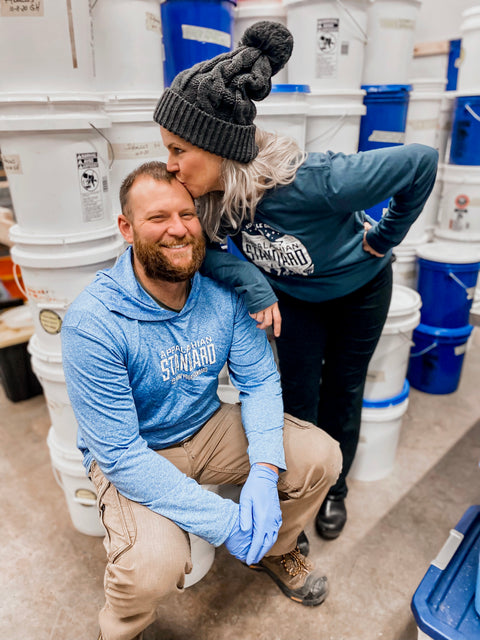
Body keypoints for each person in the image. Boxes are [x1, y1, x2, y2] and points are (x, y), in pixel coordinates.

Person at [153, 20, 439, 547]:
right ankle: (299, 500)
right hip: (298, 301)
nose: (170, 167)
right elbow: (202, 249)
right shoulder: (208, 195)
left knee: (343, 391)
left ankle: (335, 489)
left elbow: (420, 162)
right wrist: (255, 285)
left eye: (178, 151)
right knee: (298, 401)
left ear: (218, 149)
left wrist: (385, 236)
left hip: (359, 292)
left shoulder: (316, 183)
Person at [61, 161, 342, 640]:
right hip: (138, 452)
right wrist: (225, 521)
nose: (178, 229)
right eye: (158, 218)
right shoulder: (93, 323)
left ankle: (274, 550)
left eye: (187, 214)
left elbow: (259, 382)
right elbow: (121, 455)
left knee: (320, 457)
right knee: (152, 565)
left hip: (207, 428)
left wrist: (264, 470)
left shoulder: (220, 297)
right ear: (127, 229)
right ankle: (124, 627)